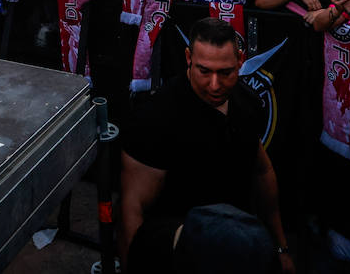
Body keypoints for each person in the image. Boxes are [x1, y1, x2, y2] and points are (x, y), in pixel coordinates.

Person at [119, 18, 293, 273]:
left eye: (225, 72)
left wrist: (281, 248)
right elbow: (132, 210)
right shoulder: (156, 119)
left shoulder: (247, 103)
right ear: (188, 57)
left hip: (236, 242)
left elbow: (262, 172)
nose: (214, 84)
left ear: (241, 62)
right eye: (204, 71)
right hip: (183, 253)